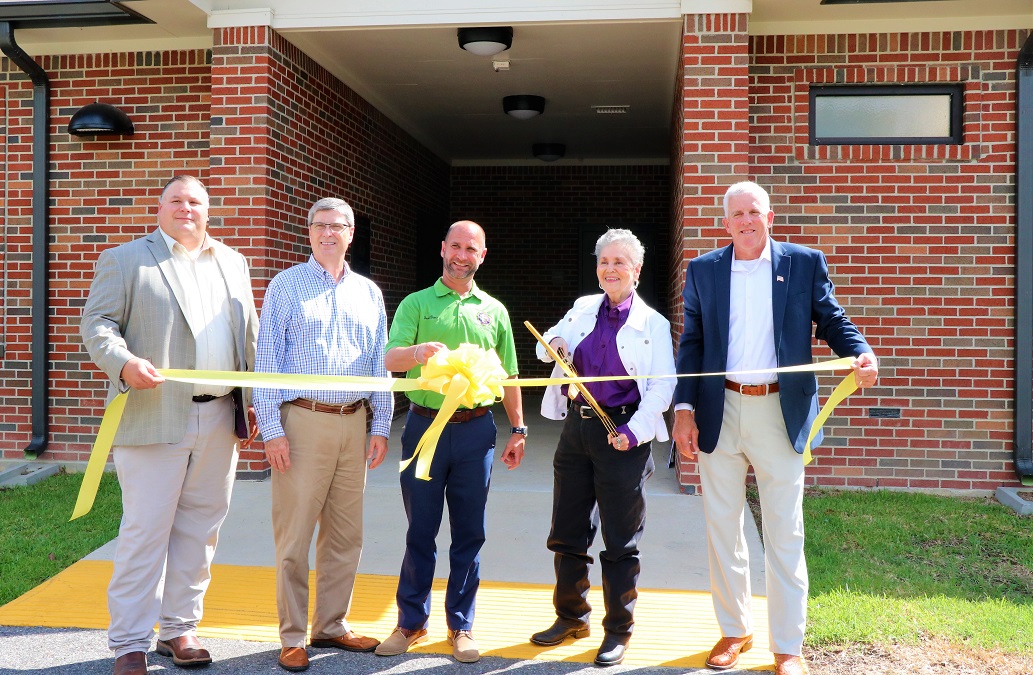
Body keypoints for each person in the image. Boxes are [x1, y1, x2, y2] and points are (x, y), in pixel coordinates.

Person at [672, 181, 879, 675]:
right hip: (717, 409)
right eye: (737, 213)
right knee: (723, 527)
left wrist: (859, 351)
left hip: (780, 412)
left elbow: (832, 319)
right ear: (726, 223)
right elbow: (692, 341)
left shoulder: (804, 263)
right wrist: (683, 408)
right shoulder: (703, 270)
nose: (746, 220)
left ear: (771, 217)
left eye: (754, 212)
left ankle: (788, 647)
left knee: (784, 530)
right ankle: (734, 630)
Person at [80, 175, 258, 675]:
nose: (186, 208)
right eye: (176, 200)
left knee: (200, 531)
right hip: (153, 413)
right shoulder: (126, 259)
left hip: (221, 415)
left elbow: (248, 336)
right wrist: (122, 363)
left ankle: (179, 629)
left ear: (208, 210)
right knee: (145, 531)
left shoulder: (234, 263)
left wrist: (255, 404)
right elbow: (97, 325)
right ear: (159, 208)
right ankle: (130, 641)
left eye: (195, 201)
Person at [375, 220, 526, 664]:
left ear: (483, 255)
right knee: (420, 530)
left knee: (469, 533)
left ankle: (461, 625)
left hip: (477, 432)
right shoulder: (417, 304)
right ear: (443, 249)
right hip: (425, 429)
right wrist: (418, 353)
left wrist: (518, 429)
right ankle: (410, 622)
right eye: (455, 246)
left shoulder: (494, 311)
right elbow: (390, 357)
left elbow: (511, 375)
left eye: (471, 249)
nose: (462, 255)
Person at [252, 198, 391, 671]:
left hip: (354, 423)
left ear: (352, 233)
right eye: (319, 226)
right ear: (309, 232)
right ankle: (292, 635)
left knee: (346, 535)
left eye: (338, 226)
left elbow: (378, 364)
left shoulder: (370, 292)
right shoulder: (286, 286)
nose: (328, 233)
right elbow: (266, 362)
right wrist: (271, 429)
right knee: (294, 535)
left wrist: (381, 424)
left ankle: (331, 624)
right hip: (302, 420)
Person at [529, 229, 675, 667]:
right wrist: (554, 344)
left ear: (637, 270)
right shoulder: (581, 308)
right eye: (604, 261)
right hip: (577, 431)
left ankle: (618, 630)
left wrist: (635, 431)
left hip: (622, 433)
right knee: (568, 530)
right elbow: (546, 346)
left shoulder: (654, 324)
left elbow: (662, 388)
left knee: (620, 540)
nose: (610, 269)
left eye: (619, 262)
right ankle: (572, 616)